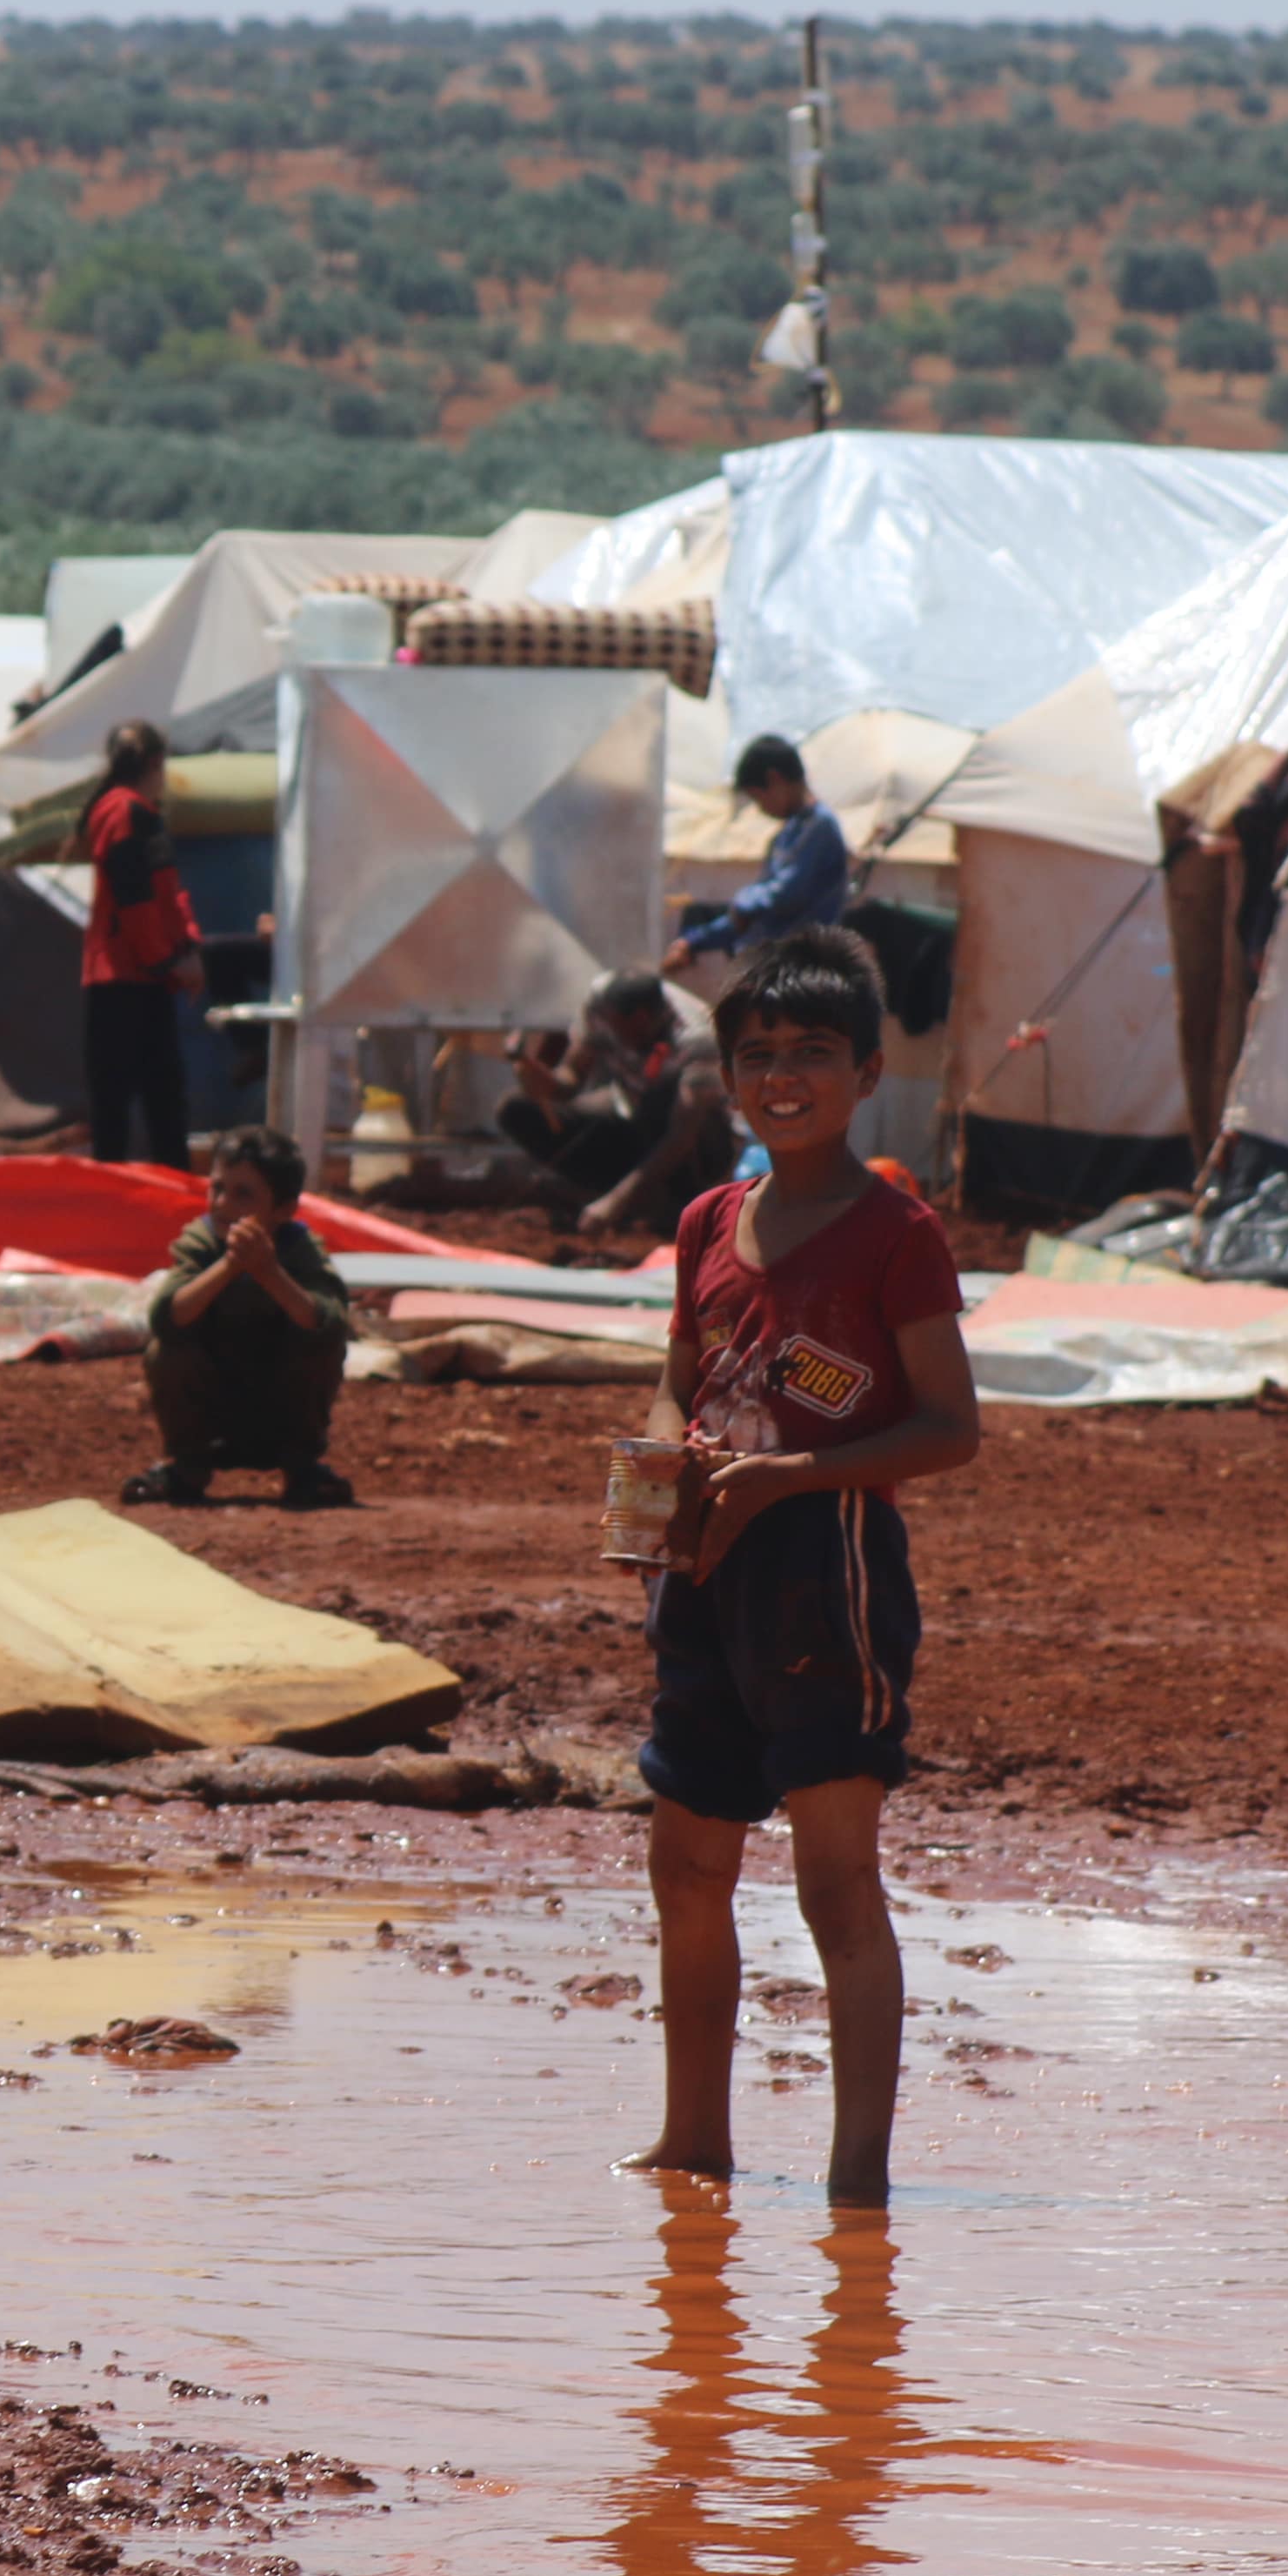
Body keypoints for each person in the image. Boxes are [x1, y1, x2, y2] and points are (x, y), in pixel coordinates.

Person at [633, 927, 983, 2208]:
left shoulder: (897, 1233)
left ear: (868, 1070)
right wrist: (663, 1466)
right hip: (703, 1572)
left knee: (835, 1878)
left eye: (813, 1055)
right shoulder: (708, 1222)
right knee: (687, 1864)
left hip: (825, 1569)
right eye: (760, 1055)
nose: (785, 1077)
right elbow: (682, 1383)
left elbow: (953, 1427)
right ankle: (693, 2142)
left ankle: (857, 2181)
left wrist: (787, 1477)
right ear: (728, 1076)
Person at [130, 1126, 355, 1510]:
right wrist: (230, 1266)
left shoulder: (299, 1248)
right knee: (167, 1351)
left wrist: (269, 1272)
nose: (221, 1204)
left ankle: (302, 1469)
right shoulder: (201, 1242)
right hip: (213, 1405)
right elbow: (167, 1318)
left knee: (320, 1343)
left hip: (280, 1407)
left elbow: (329, 1323)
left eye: (243, 1194)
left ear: (283, 1209)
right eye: (216, 1188)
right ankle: (188, 1468)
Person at [503, 964, 743, 1238]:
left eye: (620, 1027)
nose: (612, 1033)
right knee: (517, 1110)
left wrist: (616, 1201)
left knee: (660, 1099)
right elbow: (569, 1081)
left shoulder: (698, 1037)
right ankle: (610, 1198)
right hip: (631, 1111)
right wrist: (533, 1072)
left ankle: (672, 1207)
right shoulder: (602, 1005)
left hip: (697, 1137)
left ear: (642, 1019)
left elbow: (682, 1134)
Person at [80, 719, 204, 1171]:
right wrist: (170, 960)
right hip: (129, 977)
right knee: (156, 1102)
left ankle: (120, 1195)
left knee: (121, 1099)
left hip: (122, 974)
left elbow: (167, 894)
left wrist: (185, 946)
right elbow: (139, 900)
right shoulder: (129, 814)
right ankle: (164, 1200)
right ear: (155, 763)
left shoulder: (117, 810)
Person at [659, 734, 850, 993]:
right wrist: (693, 942)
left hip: (803, 971)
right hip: (776, 968)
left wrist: (745, 902)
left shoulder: (820, 827)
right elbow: (746, 916)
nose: (761, 809)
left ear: (775, 780)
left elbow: (783, 895)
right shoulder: (787, 834)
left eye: (759, 798)